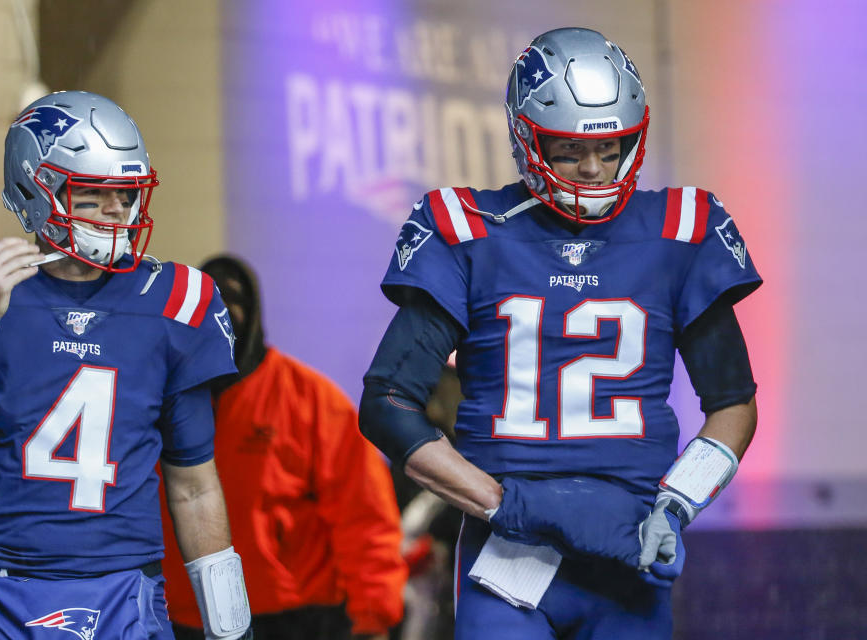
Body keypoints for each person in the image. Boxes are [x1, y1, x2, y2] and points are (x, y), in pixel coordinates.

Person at [359, 27, 761, 639]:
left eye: (613, 147)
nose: (595, 169)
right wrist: (513, 505)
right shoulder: (471, 230)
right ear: (526, 137)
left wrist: (676, 503)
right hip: (507, 554)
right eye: (569, 150)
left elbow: (733, 402)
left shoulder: (682, 230)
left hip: (630, 545)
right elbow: (388, 403)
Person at [0, 91, 251, 640]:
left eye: (127, 194)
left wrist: (230, 627)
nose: (118, 211)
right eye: (96, 194)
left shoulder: (177, 300)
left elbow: (194, 485)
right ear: (35, 190)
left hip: (125, 594)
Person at [160, 254, 407, 640]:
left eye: (234, 299)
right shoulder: (163, 398)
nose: (223, 313)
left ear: (253, 311)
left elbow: (365, 517)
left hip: (295, 618)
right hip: (184, 618)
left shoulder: (311, 401)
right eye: (211, 301)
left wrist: (374, 615)